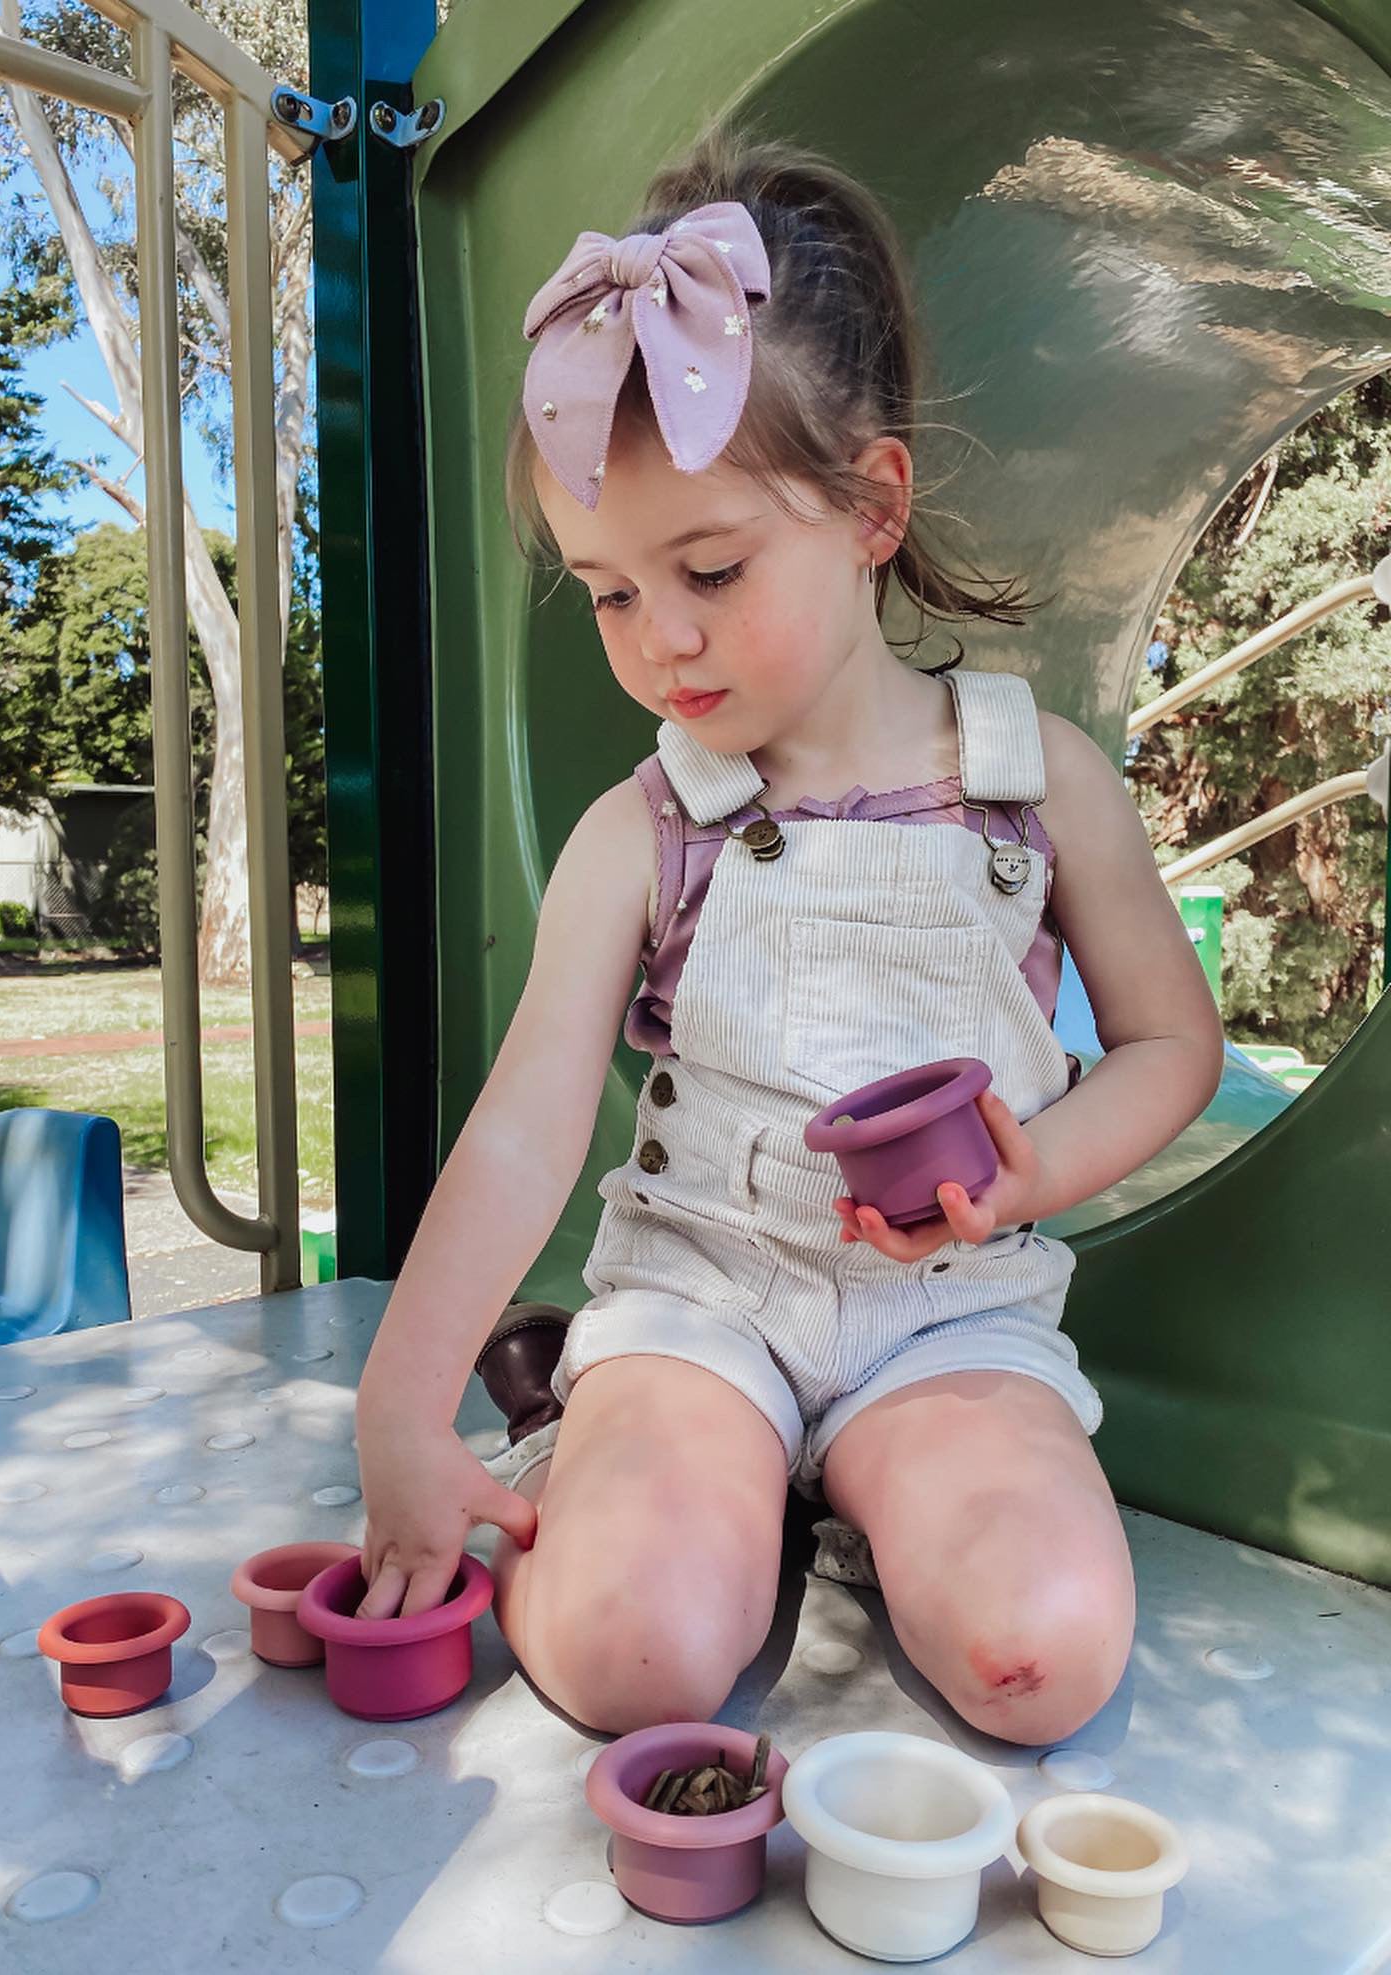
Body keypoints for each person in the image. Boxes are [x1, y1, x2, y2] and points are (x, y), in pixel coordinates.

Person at [353, 120, 1224, 1746]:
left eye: (709, 566)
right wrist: (399, 1406)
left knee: (1045, 1657)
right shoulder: (644, 829)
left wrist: (1032, 1173)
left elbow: (1175, 1047)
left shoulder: (1040, 788)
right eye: (609, 591)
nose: (659, 639)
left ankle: (854, 1493)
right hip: (703, 1298)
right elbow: (530, 1121)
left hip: (953, 1313)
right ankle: (614, 1443)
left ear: (872, 505)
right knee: (636, 1660)